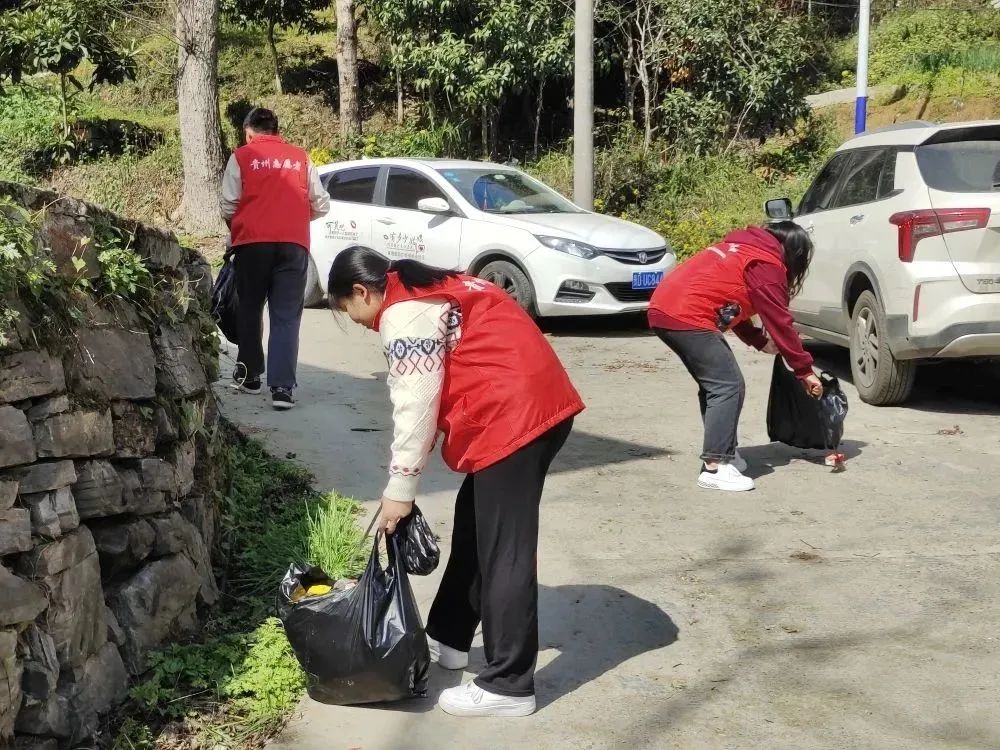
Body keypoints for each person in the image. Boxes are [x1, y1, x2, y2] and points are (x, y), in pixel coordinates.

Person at [327, 246, 584, 717]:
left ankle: (509, 686)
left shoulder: (403, 314)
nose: (360, 322)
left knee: (505, 549)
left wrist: (400, 490)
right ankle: (450, 635)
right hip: (530, 403)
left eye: (349, 310)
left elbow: (416, 405)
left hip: (515, 416)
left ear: (361, 291)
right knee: (475, 523)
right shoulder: (434, 283)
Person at [648, 221, 823, 492]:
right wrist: (804, 369)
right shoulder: (765, 263)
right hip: (687, 315)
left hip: (665, 308)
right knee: (727, 385)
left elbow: (731, 306)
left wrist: (759, 341)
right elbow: (779, 320)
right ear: (794, 252)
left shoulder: (740, 249)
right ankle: (715, 466)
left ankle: (724, 452)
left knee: (715, 385)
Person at [220, 107, 330, 410]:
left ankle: (250, 377)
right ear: (276, 130)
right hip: (294, 244)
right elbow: (321, 203)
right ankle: (282, 389)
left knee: (250, 308)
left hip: (252, 244)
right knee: (286, 315)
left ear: (249, 132)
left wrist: (245, 221)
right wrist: (294, 216)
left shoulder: (242, 156)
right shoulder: (300, 157)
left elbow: (229, 204)